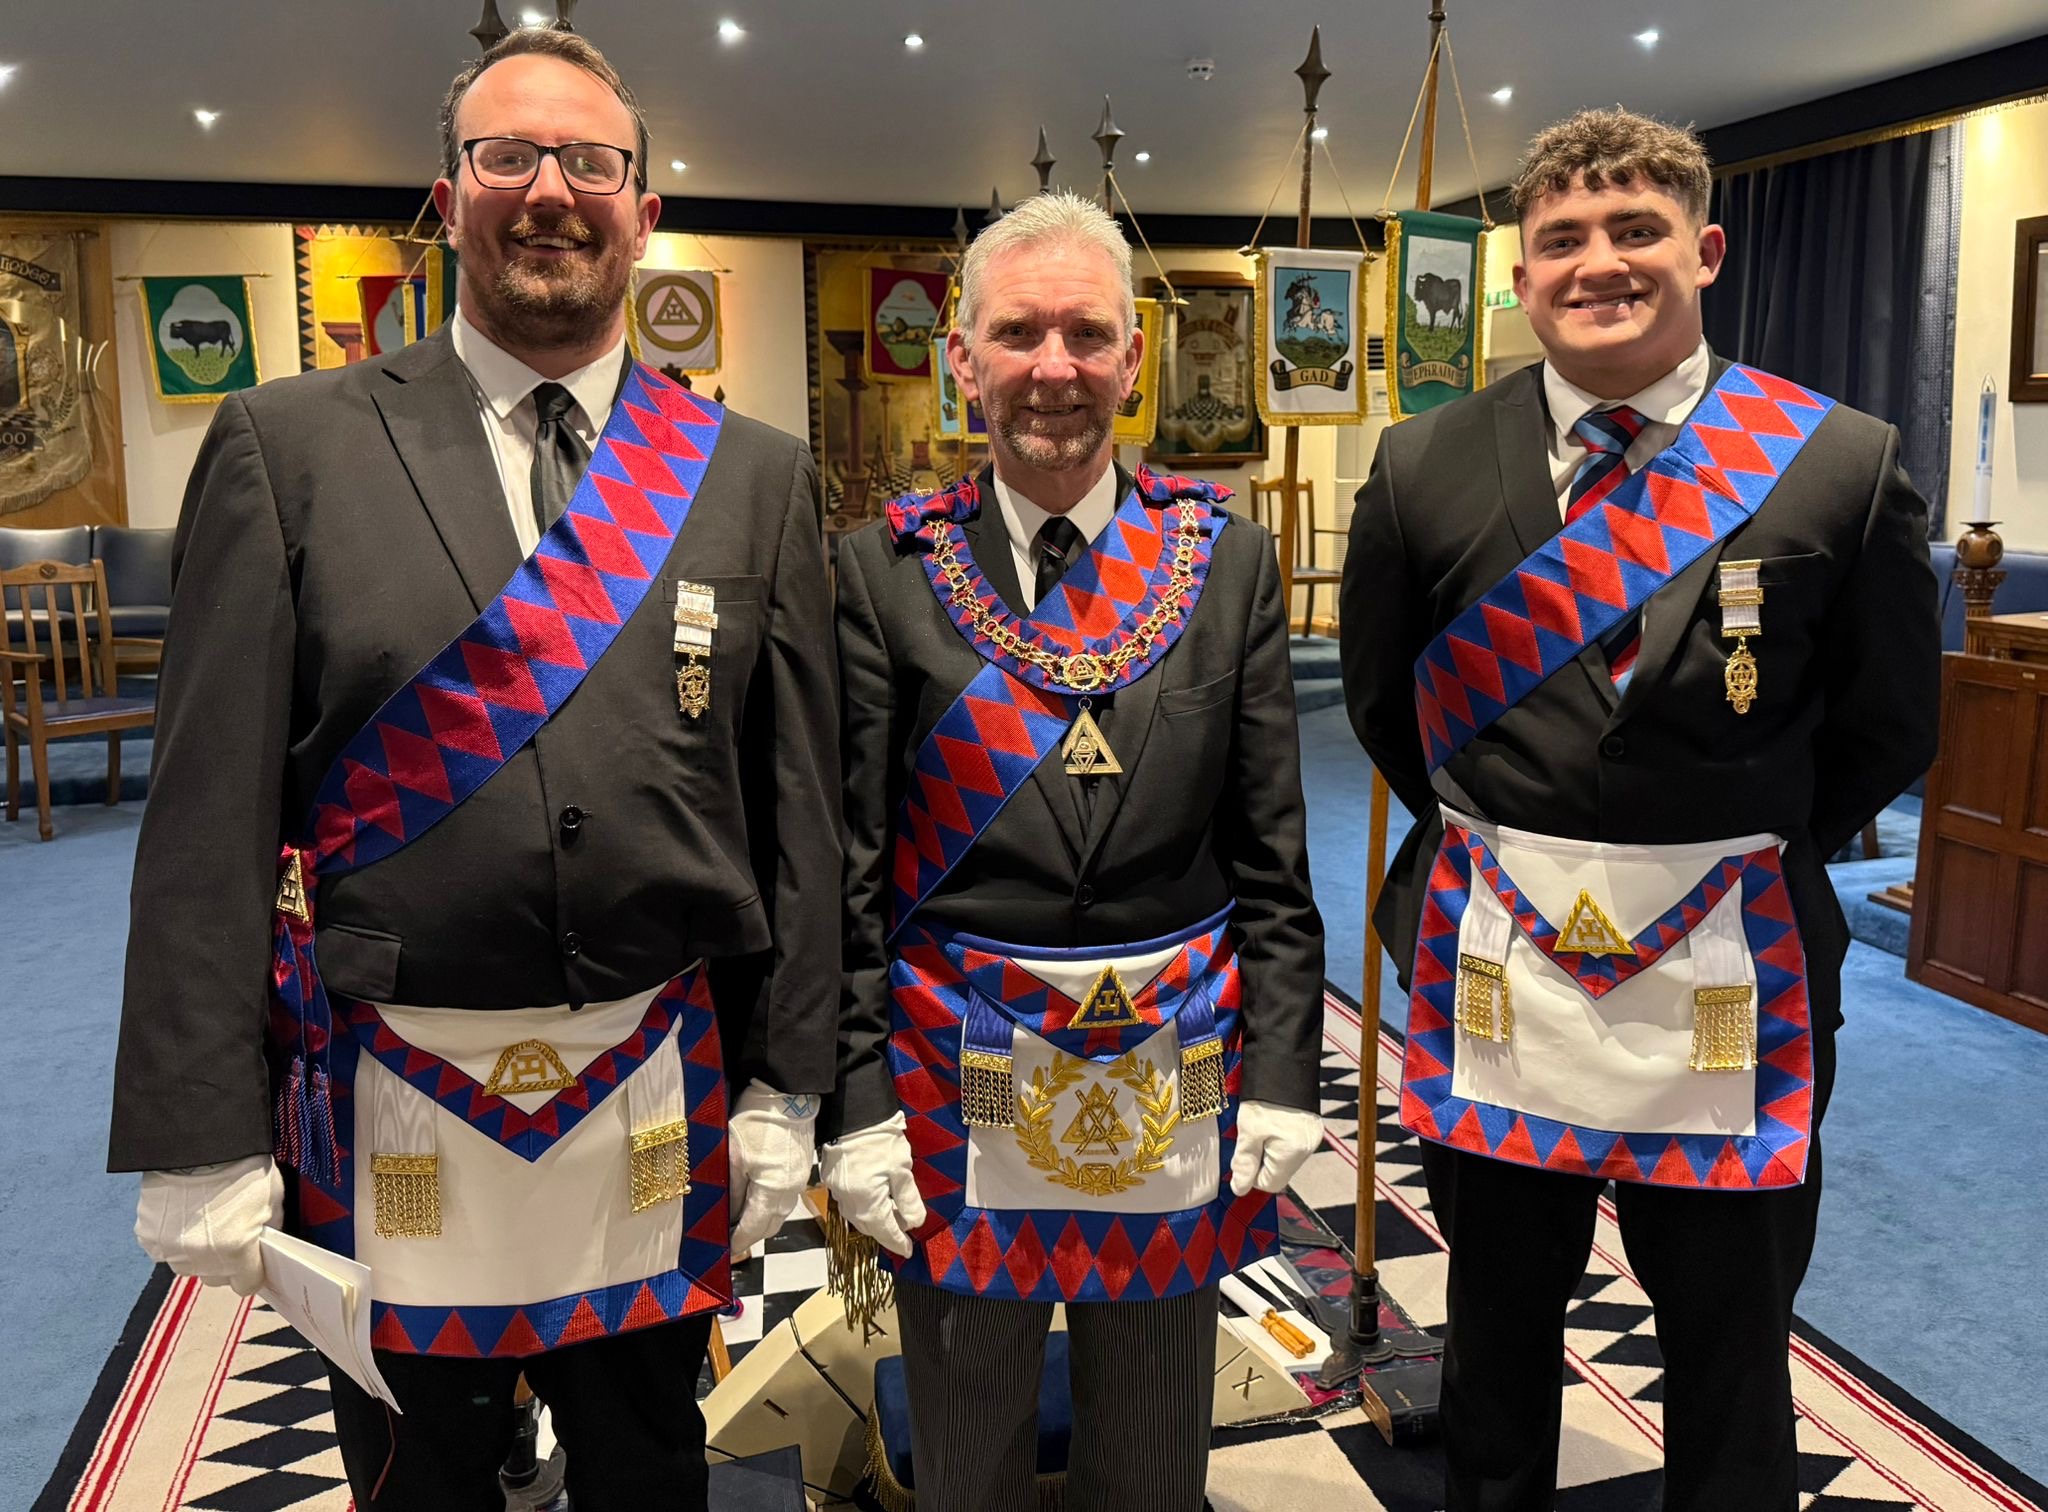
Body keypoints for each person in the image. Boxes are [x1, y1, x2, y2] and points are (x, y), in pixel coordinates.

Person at [107, 28, 839, 1512]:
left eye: (590, 163)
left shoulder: (753, 476)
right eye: (509, 156)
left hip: (654, 1092)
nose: (550, 190)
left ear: (642, 209)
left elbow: (797, 816)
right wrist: (199, 1132)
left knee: (652, 1474)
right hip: (397, 1104)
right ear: (448, 199)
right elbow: (207, 818)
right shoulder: (288, 448)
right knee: (422, 1485)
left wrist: (788, 1078)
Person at [1340, 108, 1940, 1511]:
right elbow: (1386, 708)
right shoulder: (1423, 463)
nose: (1598, 263)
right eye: (1561, 239)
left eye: (1635, 230)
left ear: (1705, 250)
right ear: (1521, 278)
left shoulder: (1835, 462)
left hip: (1735, 974)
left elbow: (1889, 724)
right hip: (1499, 973)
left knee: (1731, 1343)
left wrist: (1721, 858)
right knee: (1497, 1329)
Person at [822, 190, 1328, 1512]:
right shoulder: (884, 574)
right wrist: (854, 1101)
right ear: (964, 359)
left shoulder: (1226, 563)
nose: (1055, 367)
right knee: (968, 1458)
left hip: (1171, 1074)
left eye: (1087, 335)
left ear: (1134, 359)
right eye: (1019, 333)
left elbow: (1272, 858)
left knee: (1152, 1459)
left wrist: (1286, 1073)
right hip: (956, 1077)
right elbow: (851, 872)